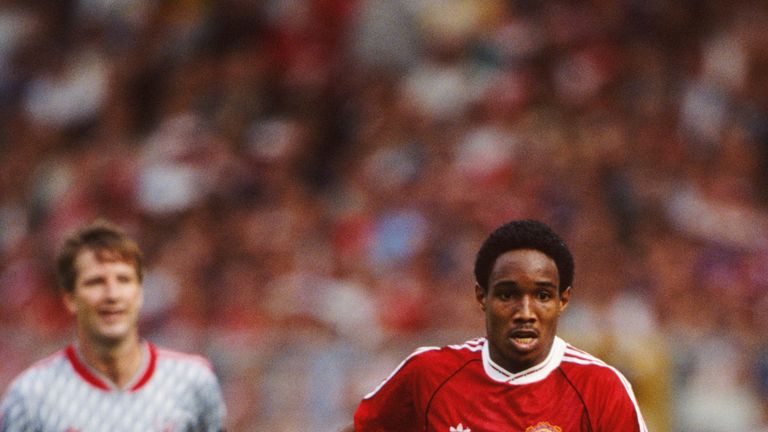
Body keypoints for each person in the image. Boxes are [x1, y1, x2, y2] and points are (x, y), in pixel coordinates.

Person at [349, 219, 648, 431]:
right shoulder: (428, 374)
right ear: (482, 296)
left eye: (542, 295)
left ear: (563, 301)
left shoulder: (601, 389)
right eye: (508, 295)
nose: (525, 312)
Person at [0, 220, 227, 431]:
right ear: (70, 298)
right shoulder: (31, 394)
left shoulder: (192, 381)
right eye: (95, 282)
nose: (111, 295)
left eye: (123, 280)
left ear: (139, 293)